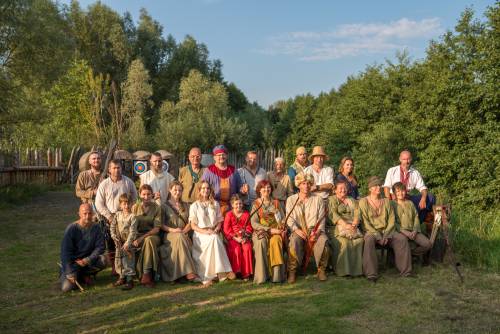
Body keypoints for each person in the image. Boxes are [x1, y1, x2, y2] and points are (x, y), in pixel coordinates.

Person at [359, 176, 412, 282]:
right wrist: (378, 236)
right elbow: (365, 223)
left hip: (387, 230)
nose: (378, 187)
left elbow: (391, 220)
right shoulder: (363, 202)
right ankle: (371, 274)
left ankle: (406, 271)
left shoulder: (386, 201)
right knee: (368, 240)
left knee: (401, 239)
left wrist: (386, 234)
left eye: (379, 185)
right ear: (370, 189)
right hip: (371, 231)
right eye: (375, 186)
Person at [95, 159, 137, 275]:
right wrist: (109, 216)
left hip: (125, 216)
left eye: (118, 168)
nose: (117, 170)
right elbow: (99, 203)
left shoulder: (128, 182)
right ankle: (115, 266)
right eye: (114, 168)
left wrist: (128, 211)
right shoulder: (104, 184)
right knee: (112, 241)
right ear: (109, 169)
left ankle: (127, 266)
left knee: (126, 241)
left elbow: (135, 197)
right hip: (110, 216)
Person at [189, 181, 235, 287]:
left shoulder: (215, 203)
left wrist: (216, 229)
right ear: (199, 190)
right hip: (200, 234)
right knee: (214, 239)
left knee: (214, 238)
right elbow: (193, 226)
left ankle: (216, 273)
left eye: (208, 188)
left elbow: (219, 221)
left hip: (213, 231)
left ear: (210, 190)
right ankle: (222, 271)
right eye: (203, 188)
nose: (206, 190)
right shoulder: (194, 206)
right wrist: (206, 232)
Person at [286, 173, 330, 283]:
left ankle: (321, 269)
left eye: (309, 184)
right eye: (303, 183)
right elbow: (289, 219)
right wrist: (296, 230)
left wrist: (318, 232)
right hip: (298, 229)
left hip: (315, 230)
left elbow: (321, 218)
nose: (306, 186)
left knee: (323, 242)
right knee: (294, 242)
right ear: (299, 185)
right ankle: (292, 271)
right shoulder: (291, 199)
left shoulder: (318, 199)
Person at [60, 203, 107, 292]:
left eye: (89, 213)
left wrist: (88, 259)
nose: (87, 216)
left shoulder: (96, 227)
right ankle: (79, 276)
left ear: (93, 214)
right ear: (79, 214)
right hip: (74, 263)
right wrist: (69, 272)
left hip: (87, 262)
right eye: (84, 213)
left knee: (104, 259)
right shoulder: (71, 229)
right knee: (66, 288)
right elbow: (65, 253)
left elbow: (101, 247)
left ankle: (84, 275)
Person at [158, 181, 197, 282]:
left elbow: (191, 221)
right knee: (179, 237)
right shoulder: (164, 206)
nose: (177, 192)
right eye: (175, 190)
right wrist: (174, 230)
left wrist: (184, 231)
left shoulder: (187, 205)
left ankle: (182, 274)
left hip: (184, 233)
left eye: (180, 190)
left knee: (181, 237)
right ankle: (189, 272)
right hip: (169, 234)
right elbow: (161, 224)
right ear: (170, 190)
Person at [383, 150, 435, 221]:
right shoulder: (392, 170)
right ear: (400, 159)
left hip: (408, 198)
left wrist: (423, 199)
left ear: (411, 159)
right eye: (404, 159)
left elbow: (423, 188)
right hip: (394, 198)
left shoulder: (415, 173)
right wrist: (388, 201)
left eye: (408, 159)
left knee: (430, 197)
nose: (406, 162)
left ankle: (417, 221)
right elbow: (387, 187)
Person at [251, 180, 286, 284]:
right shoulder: (256, 204)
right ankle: (262, 277)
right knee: (261, 242)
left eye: (268, 187)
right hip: (261, 231)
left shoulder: (276, 203)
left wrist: (281, 226)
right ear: (259, 190)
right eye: (263, 188)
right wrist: (269, 230)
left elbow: (283, 218)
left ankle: (276, 277)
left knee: (276, 242)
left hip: (276, 232)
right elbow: (254, 223)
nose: (266, 190)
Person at [328, 181, 363, 277]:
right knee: (345, 243)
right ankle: (343, 271)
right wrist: (345, 225)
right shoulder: (331, 200)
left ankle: (357, 271)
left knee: (359, 241)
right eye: (340, 188)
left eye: (345, 188)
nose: (343, 190)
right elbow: (332, 214)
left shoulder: (351, 199)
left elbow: (357, 212)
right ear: (335, 190)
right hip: (336, 228)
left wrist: (355, 223)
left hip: (352, 226)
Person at [201, 145, 246, 217]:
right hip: (214, 206)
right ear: (214, 157)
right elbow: (202, 188)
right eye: (218, 155)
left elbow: (239, 187)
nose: (221, 157)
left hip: (232, 207)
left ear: (227, 156)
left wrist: (243, 190)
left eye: (223, 154)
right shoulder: (209, 170)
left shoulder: (233, 170)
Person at [132, 184, 162, 288]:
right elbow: (131, 226)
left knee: (148, 240)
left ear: (152, 195)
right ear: (140, 195)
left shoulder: (157, 208)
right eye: (143, 194)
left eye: (148, 194)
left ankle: (146, 273)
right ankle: (147, 275)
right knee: (146, 242)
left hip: (153, 236)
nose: (146, 197)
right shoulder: (135, 208)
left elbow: (157, 229)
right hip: (137, 235)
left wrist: (141, 238)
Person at [392, 182, 432, 257]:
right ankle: (404, 255)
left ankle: (411, 254)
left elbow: (416, 217)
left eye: (402, 191)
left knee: (427, 244)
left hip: (413, 231)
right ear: (394, 193)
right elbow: (392, 222)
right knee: (402, 242)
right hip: (400, 232)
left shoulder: (410, 203)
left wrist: (415, 230)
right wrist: (404, 232)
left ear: (405, 192)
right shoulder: (392, 204)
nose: (400, 193)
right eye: (398, 191)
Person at [110, 194, 137, 290]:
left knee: (128, 261)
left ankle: (129, 280)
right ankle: (121, 277)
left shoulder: (133, 217)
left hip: (128, 243)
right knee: (119, 260)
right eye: (124, 204)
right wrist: (114, 237)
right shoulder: (117, 215)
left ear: (131, 204)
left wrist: (127, 243)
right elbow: (112, 227)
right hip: (119, 242)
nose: (126, 206)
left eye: (128, 204)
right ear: (120, 205)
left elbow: (133, 232)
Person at [223, 195, 254, 280]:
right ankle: (237, 271)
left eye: (240, 203)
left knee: (247, 248)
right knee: (236, 249)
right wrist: (235, 238)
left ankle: (246, 273)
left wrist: (245, 237)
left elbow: (249, 227)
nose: (238, 206)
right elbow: (226, 229)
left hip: (244, 237)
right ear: (232, 205)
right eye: (236, 204)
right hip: (233, 238)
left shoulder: (246, 214)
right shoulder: (229, 214)